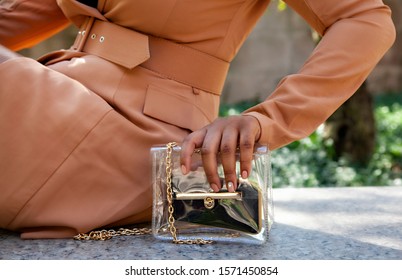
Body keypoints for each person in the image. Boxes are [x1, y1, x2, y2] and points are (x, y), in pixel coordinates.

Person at [0, 0, 395, 239]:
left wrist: (266, 120)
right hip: (52, 105)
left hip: (142, 133)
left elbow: (366, 20)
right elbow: (14, 23)